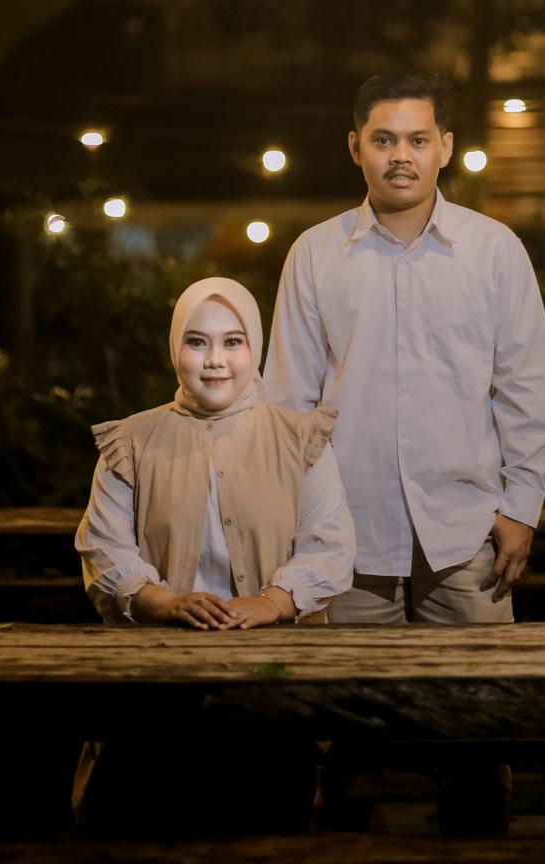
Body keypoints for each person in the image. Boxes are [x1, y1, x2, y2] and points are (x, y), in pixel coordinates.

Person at [263, 73, 545, 834]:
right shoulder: (315, 254)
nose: (402, 155)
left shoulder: (494, 252)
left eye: (418, 139)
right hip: (347, 534)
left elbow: (529, 389)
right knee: (350, 740)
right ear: (355, 147)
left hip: (466, 534)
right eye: (385, 139)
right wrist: (300, 524)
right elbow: (287, 404)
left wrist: (521, 507)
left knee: (475, 739)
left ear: (446, 148)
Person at [74, 275, 355, 833]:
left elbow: (329, 546)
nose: (215, 360)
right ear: (174, 348)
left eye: (233, 341)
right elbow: (105, 549)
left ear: (255, 348)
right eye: (197, 341)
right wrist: (163, 602)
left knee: (266, 825)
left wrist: (269, 603)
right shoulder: (132, 441)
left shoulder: (300, 440)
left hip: (274, 683)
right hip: (157, 681)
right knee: (141, 825)